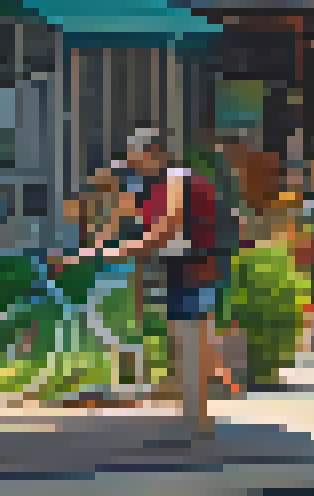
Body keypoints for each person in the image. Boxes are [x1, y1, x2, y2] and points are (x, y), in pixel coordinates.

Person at [56, 129, 222, 441]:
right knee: (182, 341)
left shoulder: (175, 180)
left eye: (136, 156)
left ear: (154, 153)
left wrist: (100, 252)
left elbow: (161, 233)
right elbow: (118, 221)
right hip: (179, 267)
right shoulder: (148, 186)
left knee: (191, 341)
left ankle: (198, 423)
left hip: (200, 268)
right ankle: (194, 420)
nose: (132, 162)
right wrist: (94, 242)